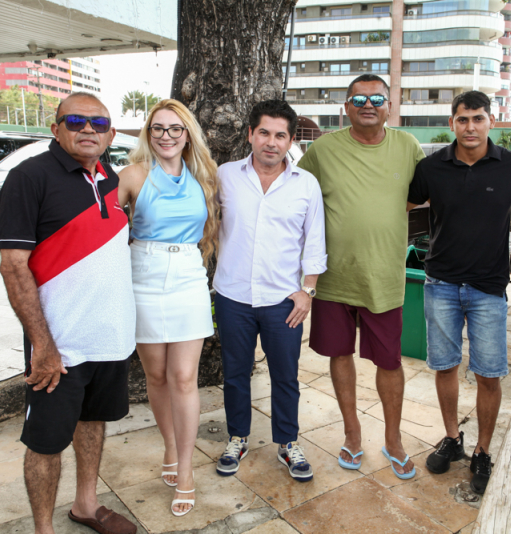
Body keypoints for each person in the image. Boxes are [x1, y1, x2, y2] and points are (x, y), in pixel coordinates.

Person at [0, 92, 137, 534]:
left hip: (108, 337)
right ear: (55, 128)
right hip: (59, 346)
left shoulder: (111, 179)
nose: (88, 129)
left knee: (93, 422)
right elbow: (13, 265)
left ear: (111, 133)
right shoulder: (29, 177)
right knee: (45, 442)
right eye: (76, 120)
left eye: (98, 123)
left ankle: (86, 506)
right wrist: (42, 344)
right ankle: (44, 529)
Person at [406, 90, 511, 494]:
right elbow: (401, 210)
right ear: (452, 123)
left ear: (490, 121)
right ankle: (452, 439)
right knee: (444, 366)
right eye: (463, 119)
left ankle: (482, 449)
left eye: (478, 118)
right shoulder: (431, 167)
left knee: (489, 374)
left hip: (488, 289)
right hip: (440, 282)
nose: (470, 126)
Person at [297, 74, 424, 479]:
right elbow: (296, 194)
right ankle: (352, 434)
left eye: (376, 98)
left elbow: (419, 195)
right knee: (339, 354)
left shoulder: (408, 147)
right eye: (358, 98)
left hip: (384, 277)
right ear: (345, 107)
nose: (367, 104)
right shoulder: (323, 149)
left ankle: (393, 438)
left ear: (389, 105)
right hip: (333, 278)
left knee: (389, 361)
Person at [213, 100, 326, 482]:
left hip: (283, 301)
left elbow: (315, 241)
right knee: (235, 373)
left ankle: (287, 442)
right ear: (250, 134)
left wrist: (307, 290)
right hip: (232, 297)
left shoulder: (305, 184)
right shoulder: (225, 176)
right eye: (264, 132)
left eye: (280, 135)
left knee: (285, 375)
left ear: (291, 140)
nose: (271, 143)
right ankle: (238, 437)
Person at [117, 99, 219, 517]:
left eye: (175, 129)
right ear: (148, 133)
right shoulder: (133, 175)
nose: (166, 136)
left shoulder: (203, 177)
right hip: (142, 272)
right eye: (158, 128)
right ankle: (171, 449)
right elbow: (98, 220)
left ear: (187, 134)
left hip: (189, 275)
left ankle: (187, 470)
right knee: (155, 375)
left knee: (183, 377)